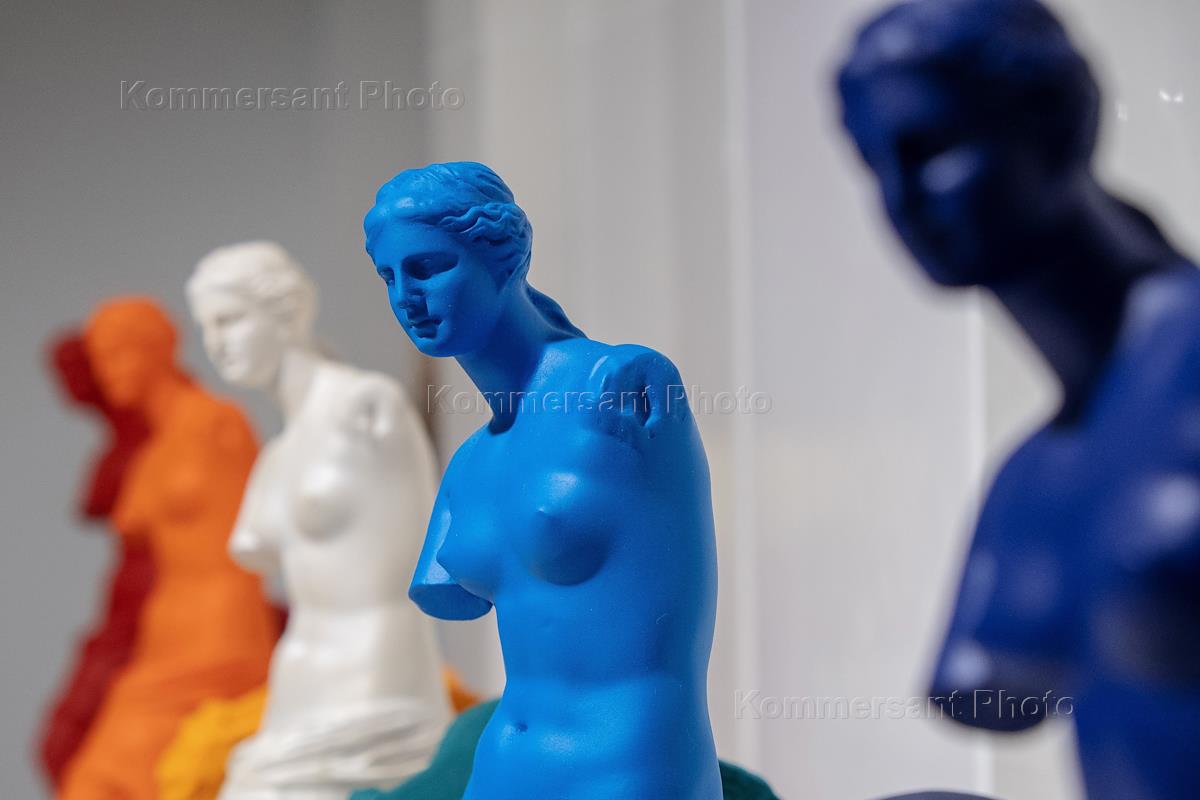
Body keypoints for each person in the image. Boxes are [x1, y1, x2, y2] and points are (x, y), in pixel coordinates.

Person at [838, 1, 1200, 797]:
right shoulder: (1032, 481)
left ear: (1058, 123)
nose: (902, 197)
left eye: (932, 148)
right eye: (874, 163)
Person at [363, 161, 724, 799]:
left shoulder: (622, 386)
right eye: (389, 277)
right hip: (502, 764)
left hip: (628, 765)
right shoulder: (469, 465)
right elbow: (448, 596)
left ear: (504, 259)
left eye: (429, 267)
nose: (406, 298)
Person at [187, 242, 450, 797]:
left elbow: (433, 547)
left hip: (376, 671)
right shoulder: (276, 456)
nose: (215, 343)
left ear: (287, 313)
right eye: (205, 327)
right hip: (295, 684)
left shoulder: (366, 408)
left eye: (229, 320)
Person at [59, 298, 278, 800]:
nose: (108, 371)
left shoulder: (216, 424)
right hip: (162, 642)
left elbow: (264, 536)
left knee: (109, 779)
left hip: (218, 634)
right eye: (101, 358)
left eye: (119, 353)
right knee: (97, 779)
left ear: (158, 349)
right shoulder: (152, 450)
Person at [37, 329, 152, 789]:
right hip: (127, 607)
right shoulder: (120, 446)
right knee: (61, 747)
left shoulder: (170, 432)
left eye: (78, 371)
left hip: (153, 613)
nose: (73, 387)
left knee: (75, 750)